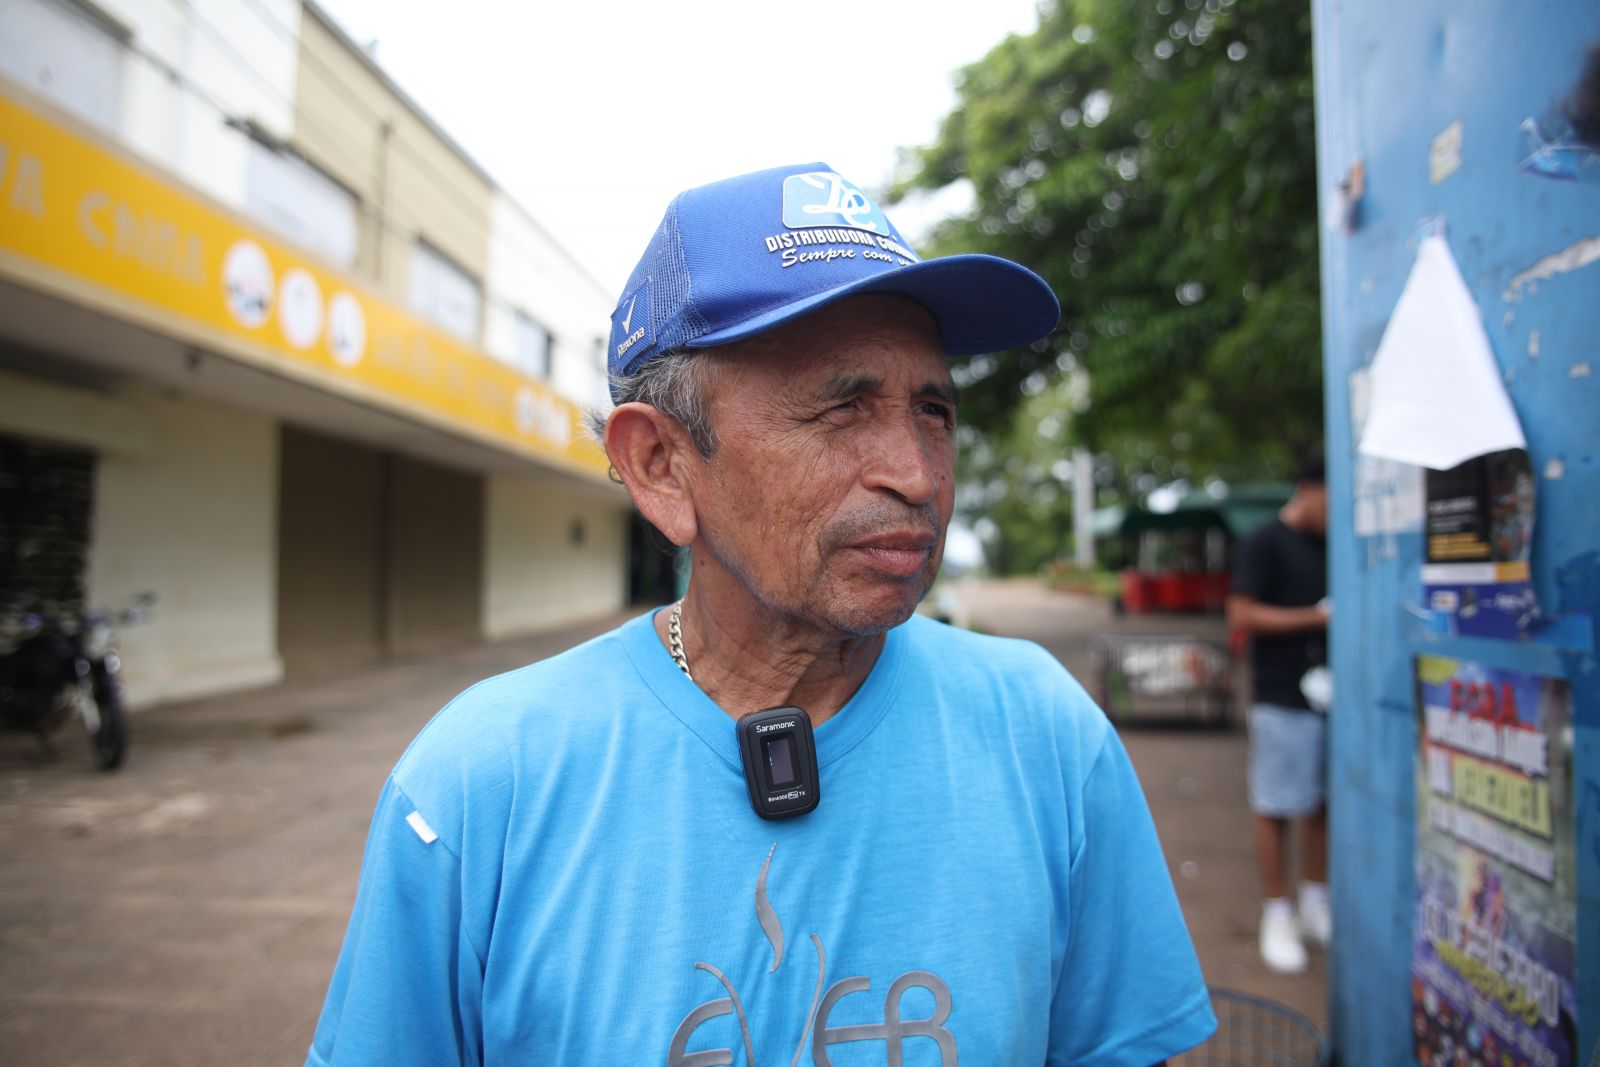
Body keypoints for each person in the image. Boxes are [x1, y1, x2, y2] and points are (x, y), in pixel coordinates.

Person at [306, 163, 1215, 1066]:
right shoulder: (481, 784)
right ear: (662, 465)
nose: (916, 471)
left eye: (932, 408)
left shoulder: (1044, 734)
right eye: (841, 406)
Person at [1226, 455, 1331, 975]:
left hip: (1334, 697)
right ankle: (1278, 911)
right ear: (1308, 489)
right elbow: (1241, 614)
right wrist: (1316, 616)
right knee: (1276, 803)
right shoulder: (1266, 542)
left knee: (1322, 804)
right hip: (1281, 694)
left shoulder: (1337, 545)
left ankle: (1315, 900)